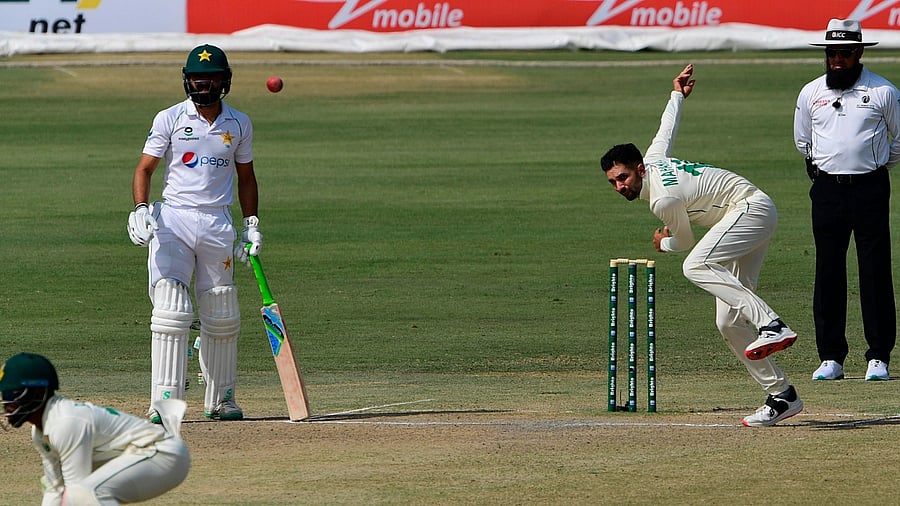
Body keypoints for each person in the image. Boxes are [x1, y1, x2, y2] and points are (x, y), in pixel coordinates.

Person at [600, 64, 802, 427]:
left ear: (639, 168)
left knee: (694, 265)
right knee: (727, 322)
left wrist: (663, 244)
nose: (620, 187)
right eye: (614, 182)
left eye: (624, 178)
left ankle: (771, 324)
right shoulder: (656, 158)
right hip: (742, 219)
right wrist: (677, 93)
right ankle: (781, 395)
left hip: (749, 208)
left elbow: (686, 242)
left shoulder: (662, 200)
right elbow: (667, 127)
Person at [127, 44, 262, 422]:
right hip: (174, 219)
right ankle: (164, 402)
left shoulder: (238, 124)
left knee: (221, 308)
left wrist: (251, 223)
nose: (204, 85)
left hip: (217, 220)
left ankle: (221, 400)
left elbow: (246, 178)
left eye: (212, 79)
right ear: (187, 81)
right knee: (171, 307)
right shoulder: (170, 118)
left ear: (225, 81)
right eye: (198, 79)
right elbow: (144, 170)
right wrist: (140, 209)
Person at [794, 19, 900, 382]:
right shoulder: (811, 92)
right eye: (831, 53)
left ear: (859, 52)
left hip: (870, 188)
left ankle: (879, 356)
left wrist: (871, 166)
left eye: (844, 53)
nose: (837, 60)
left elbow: (898, 141)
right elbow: (803, 142)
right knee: (828, 270)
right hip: (827, 190)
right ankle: (831, 357)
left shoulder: (883, 91)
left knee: (874, 270)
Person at [0, 352, 190, 504]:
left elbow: (77, 493)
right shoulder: (40, 432)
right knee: (74, 493)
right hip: (139, 453)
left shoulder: (66, 423)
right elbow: (55, 489)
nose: (6, 403)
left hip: (163, 454)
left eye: (12, 394)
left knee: (83, 494)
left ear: (38, 393)